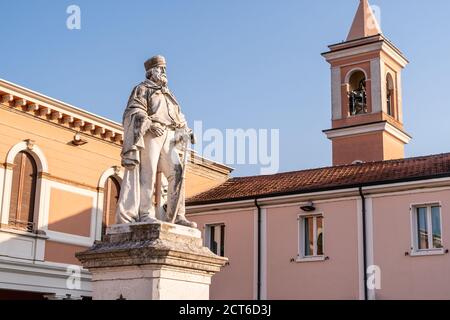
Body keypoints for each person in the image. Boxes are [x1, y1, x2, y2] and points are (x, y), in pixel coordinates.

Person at [116, 55, 197, 228]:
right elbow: (134, 110)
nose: (164, 72)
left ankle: (177, 215)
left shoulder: (169, 95)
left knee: (177, 172)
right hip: (151, 133)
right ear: (152, 72)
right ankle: (145, 214)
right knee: (148, 173)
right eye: (161, 69)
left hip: (170, 135)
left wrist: (187, 130)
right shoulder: (142, 89)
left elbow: (179, 117)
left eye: (164, 69)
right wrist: (150, 123)